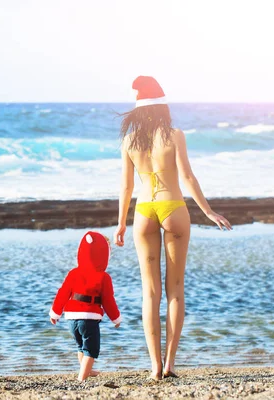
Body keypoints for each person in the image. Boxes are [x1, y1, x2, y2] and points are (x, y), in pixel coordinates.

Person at [113, 76, 232, 380]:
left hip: (143, 211)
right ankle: (169, 365)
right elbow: (188, 178)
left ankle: (154, 367)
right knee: (175, 291)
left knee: (149, 293)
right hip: (173, 209)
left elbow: (126, 187)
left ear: (138, 109)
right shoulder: (174, 134)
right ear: (162, 106)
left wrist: (120, 225)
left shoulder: (129, 141)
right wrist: (209, 211)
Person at [49, 231, 122, 381]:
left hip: (71, 319)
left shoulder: (73, 273)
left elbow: (62, 293)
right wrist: (116, 319)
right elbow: (108, 300)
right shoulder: (103, 277)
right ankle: (81, 379)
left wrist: (55, 313)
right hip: (89, 318)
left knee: (80, 346)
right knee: (91, 350)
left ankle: (87, 370)